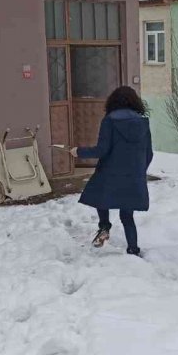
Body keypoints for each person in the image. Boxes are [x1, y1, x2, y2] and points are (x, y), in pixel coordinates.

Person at [71, 86, 153, 255]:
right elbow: (149, 153)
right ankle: (133, 248)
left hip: (111, 172)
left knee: (100, 197)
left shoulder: (109, 121)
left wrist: (78, 151)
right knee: (127, 214)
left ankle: (104, 227)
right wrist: (139, 170)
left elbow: (102, 150)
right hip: (133, 175)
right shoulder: (143, 123)